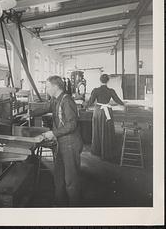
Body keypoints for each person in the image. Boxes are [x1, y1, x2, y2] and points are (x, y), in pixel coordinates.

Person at [25, 75, 83, 206]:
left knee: (71, 180)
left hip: (70, 144)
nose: (46, 89)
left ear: (56, 86)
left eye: (47, 86)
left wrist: (53, 133)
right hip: (61, 142)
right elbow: (46, 107)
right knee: (58, 176)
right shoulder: (56, 99)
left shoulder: (67, 101)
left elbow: (72, 124)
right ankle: (60, 204)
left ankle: (76, 209)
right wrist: (30, 113)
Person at [86, 74, 124, 161]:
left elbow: (91, 101)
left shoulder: (96, 90)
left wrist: (85, 106)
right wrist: (123, 104)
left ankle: (97, 150)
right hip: (107, 111)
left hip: (98, 111)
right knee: (107, 131)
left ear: (100, 81)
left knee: (97, 130)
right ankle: (107, 151)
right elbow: (117, 100)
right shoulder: (111, 90)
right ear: (108, 81)